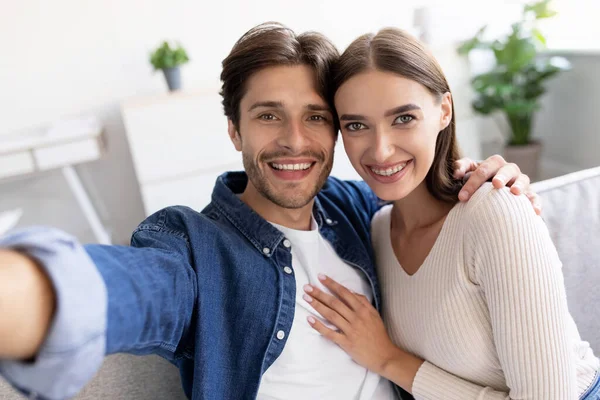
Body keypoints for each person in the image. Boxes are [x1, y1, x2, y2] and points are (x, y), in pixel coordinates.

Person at [0, 23, 535, 400]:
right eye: (268, 116)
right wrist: (29, 287)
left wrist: (483, 178)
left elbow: (421, 191)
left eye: (316, 117)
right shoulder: (192, 246)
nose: (294, 141)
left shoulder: (354, 209)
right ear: (234, 129)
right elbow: (133, 288)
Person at [301, 27, 600, 400]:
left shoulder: (494, 212)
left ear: (443, 111)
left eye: (403, 118)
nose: (380, 151)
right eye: (356, 125)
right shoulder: (376, 231)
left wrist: (389, 360)